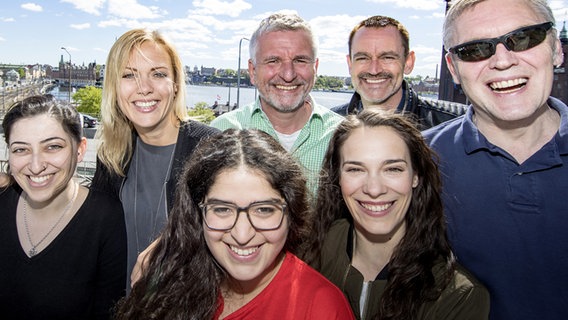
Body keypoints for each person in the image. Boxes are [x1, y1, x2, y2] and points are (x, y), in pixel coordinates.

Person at [423, 0, 567, 319]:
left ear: (557, 49)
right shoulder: (418, 162)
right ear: (453, 68)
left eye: (525, 38)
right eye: (475, 49)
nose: (502, 61)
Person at [114, 129, 356, 319]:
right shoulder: (168, 281)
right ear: (197, 213)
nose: (242, 234)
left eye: (263, 210)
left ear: (290, 211)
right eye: (222, 209)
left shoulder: (321, 306)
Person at [309, 110, 489, 320]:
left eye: (393, 169)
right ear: (337, 178)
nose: (374, 189)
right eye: (355, 170)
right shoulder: (308, 258)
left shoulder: (457, 298)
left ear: (416, 177)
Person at [90, 29, 220, 289]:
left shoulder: (211, 148)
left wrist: (174, 246)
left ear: (175, 84)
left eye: (158, 74)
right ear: (115, 88)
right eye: (129, 75)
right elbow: (93, 223)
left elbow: (235, 230)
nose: (145, 88)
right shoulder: (113, 154)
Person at [0, 95, 126, 319]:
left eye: (53, 147)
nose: (36, 166)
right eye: (21, 150)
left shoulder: (106, 219)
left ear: (79, 150)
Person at [211, 13, 344, 195]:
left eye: (300, 60)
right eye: (273, 61)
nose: (288, 75)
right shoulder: (222, 131)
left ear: (316, 68)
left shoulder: (342, 136)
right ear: (252, 70)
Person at [332, 15, 467, 130]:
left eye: (387, 57)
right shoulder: (330, 128)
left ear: (408, 62)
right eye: (362, 58)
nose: (374, 70)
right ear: (350, 64)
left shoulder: (458, 125)